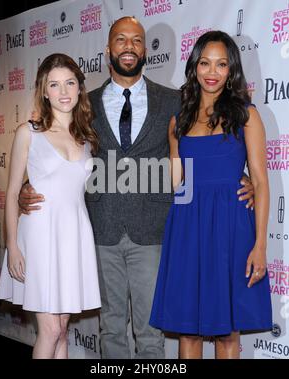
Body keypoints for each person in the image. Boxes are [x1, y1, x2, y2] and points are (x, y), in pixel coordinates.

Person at [18, 18, 255, 359]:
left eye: (136, 41)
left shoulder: (177, 102)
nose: (128, 47)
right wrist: (30, 183)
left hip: (154, 230)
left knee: (150, 334)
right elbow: (57, 149)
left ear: (145, 50)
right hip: (101, 230)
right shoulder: (84, 104)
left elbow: (204, 149)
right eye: (120, 40)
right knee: (110, 329)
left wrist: (244, 179)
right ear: (108, 50)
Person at [149, 31, 272, 359]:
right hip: (189, 228)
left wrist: (260, 246)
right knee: (188, 331)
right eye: (205, 63)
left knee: (227, 334)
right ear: (194, 66)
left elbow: (260, 183)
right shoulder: (178, 121)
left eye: (221, 64)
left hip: (231, 229)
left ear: (232, 70)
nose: (212, 71)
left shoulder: (246, 115)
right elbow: (180, 185)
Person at [0, 53, 101, 359]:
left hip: (74, 237)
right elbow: (13, 191)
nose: (64, 91)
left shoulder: (86, 137)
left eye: (70, 83)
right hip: (39, 237)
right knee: (51, 330)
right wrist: (13, 246)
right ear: (44, 90)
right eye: (54, 85)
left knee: (63, 331)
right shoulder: (28, 132)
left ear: (79, 88)